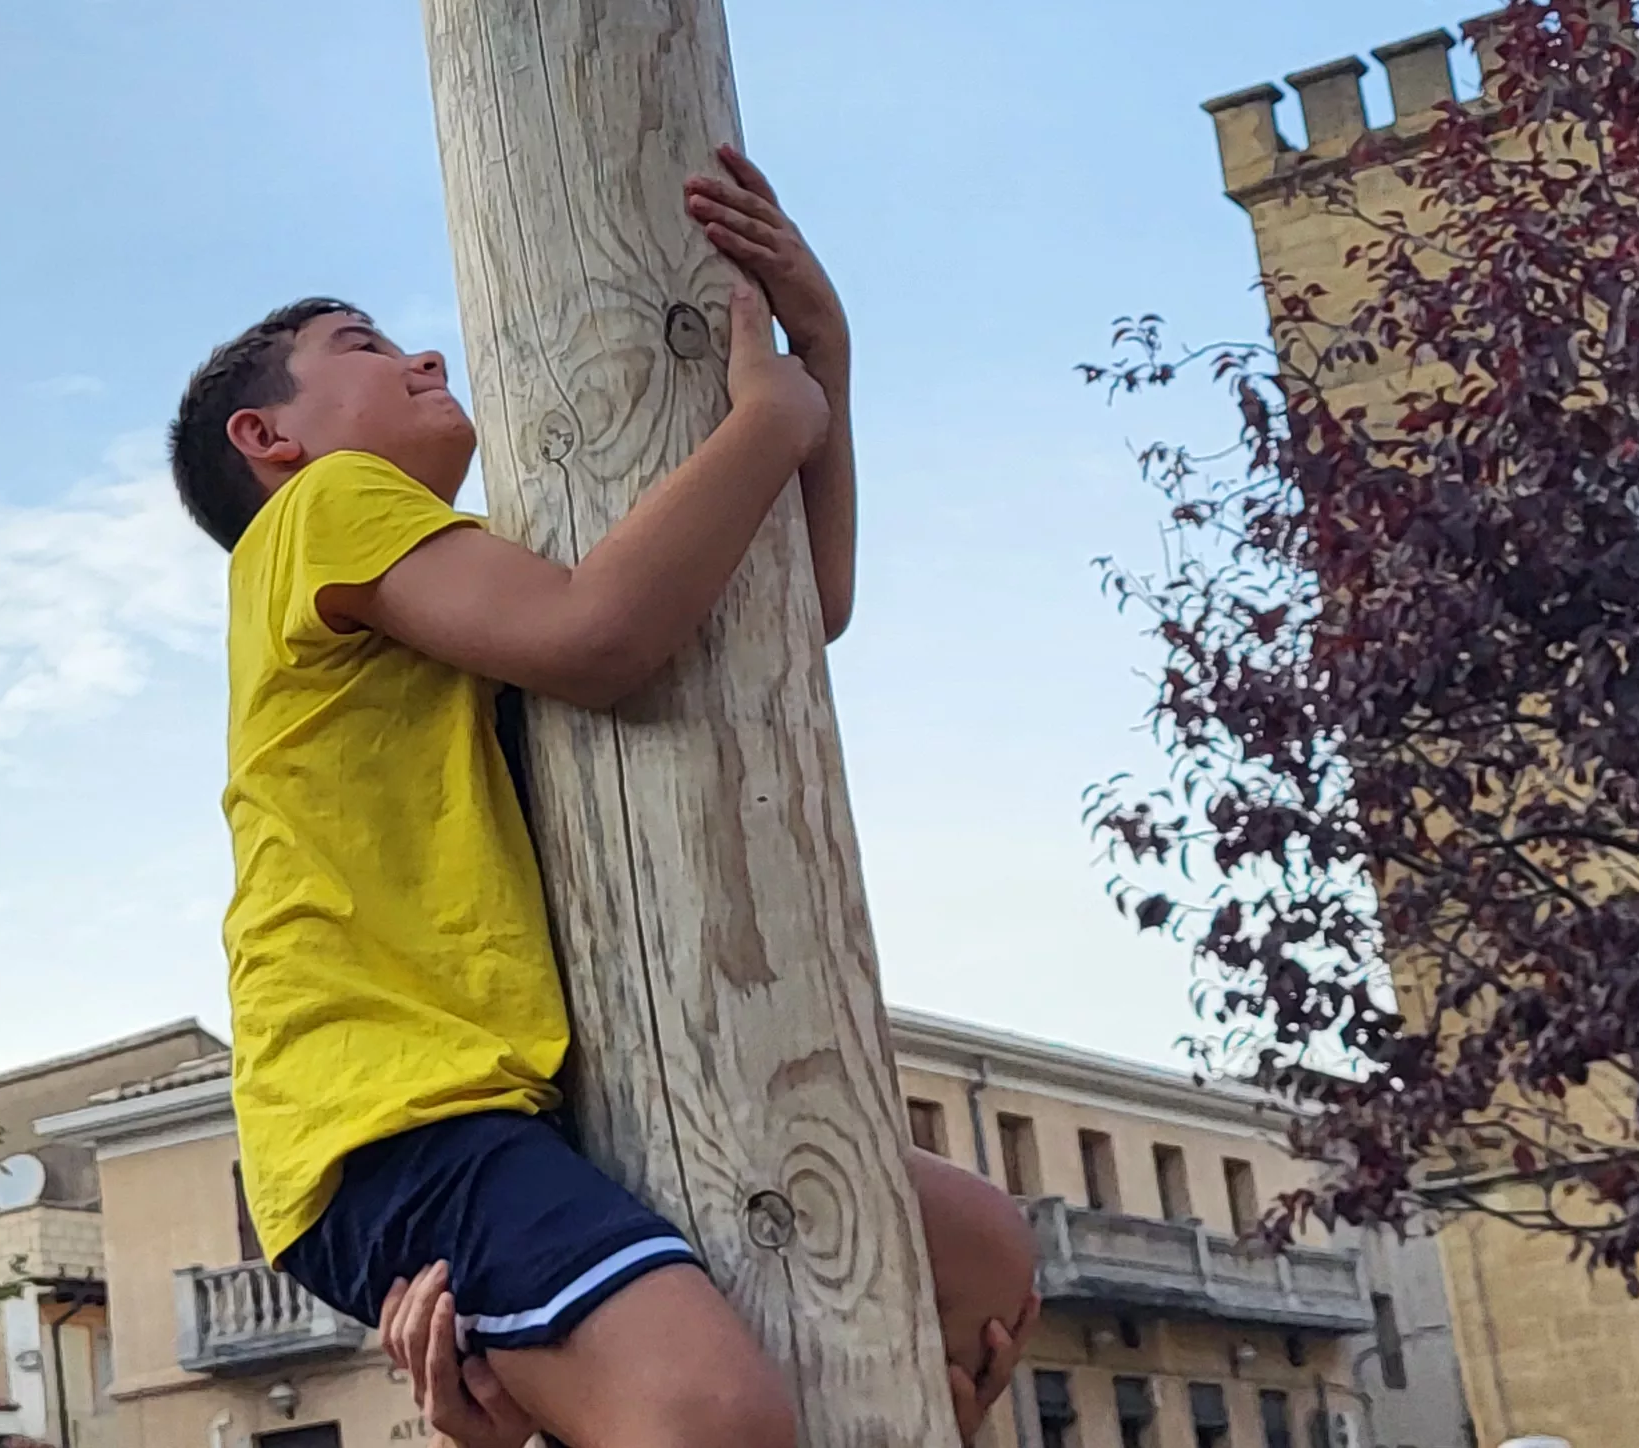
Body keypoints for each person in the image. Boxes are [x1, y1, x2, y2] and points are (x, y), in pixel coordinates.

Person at [166, 148, 1040, 1448]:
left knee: (975, 1253)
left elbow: (791, 613)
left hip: (546, 1086)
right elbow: (601, 635)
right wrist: (770, 421)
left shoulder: (456, 596)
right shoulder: (322, 509)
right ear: (268, 438)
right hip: (388, 1114)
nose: (424, 356)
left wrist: (822, 357)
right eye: (365, 346)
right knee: (711, 1418)